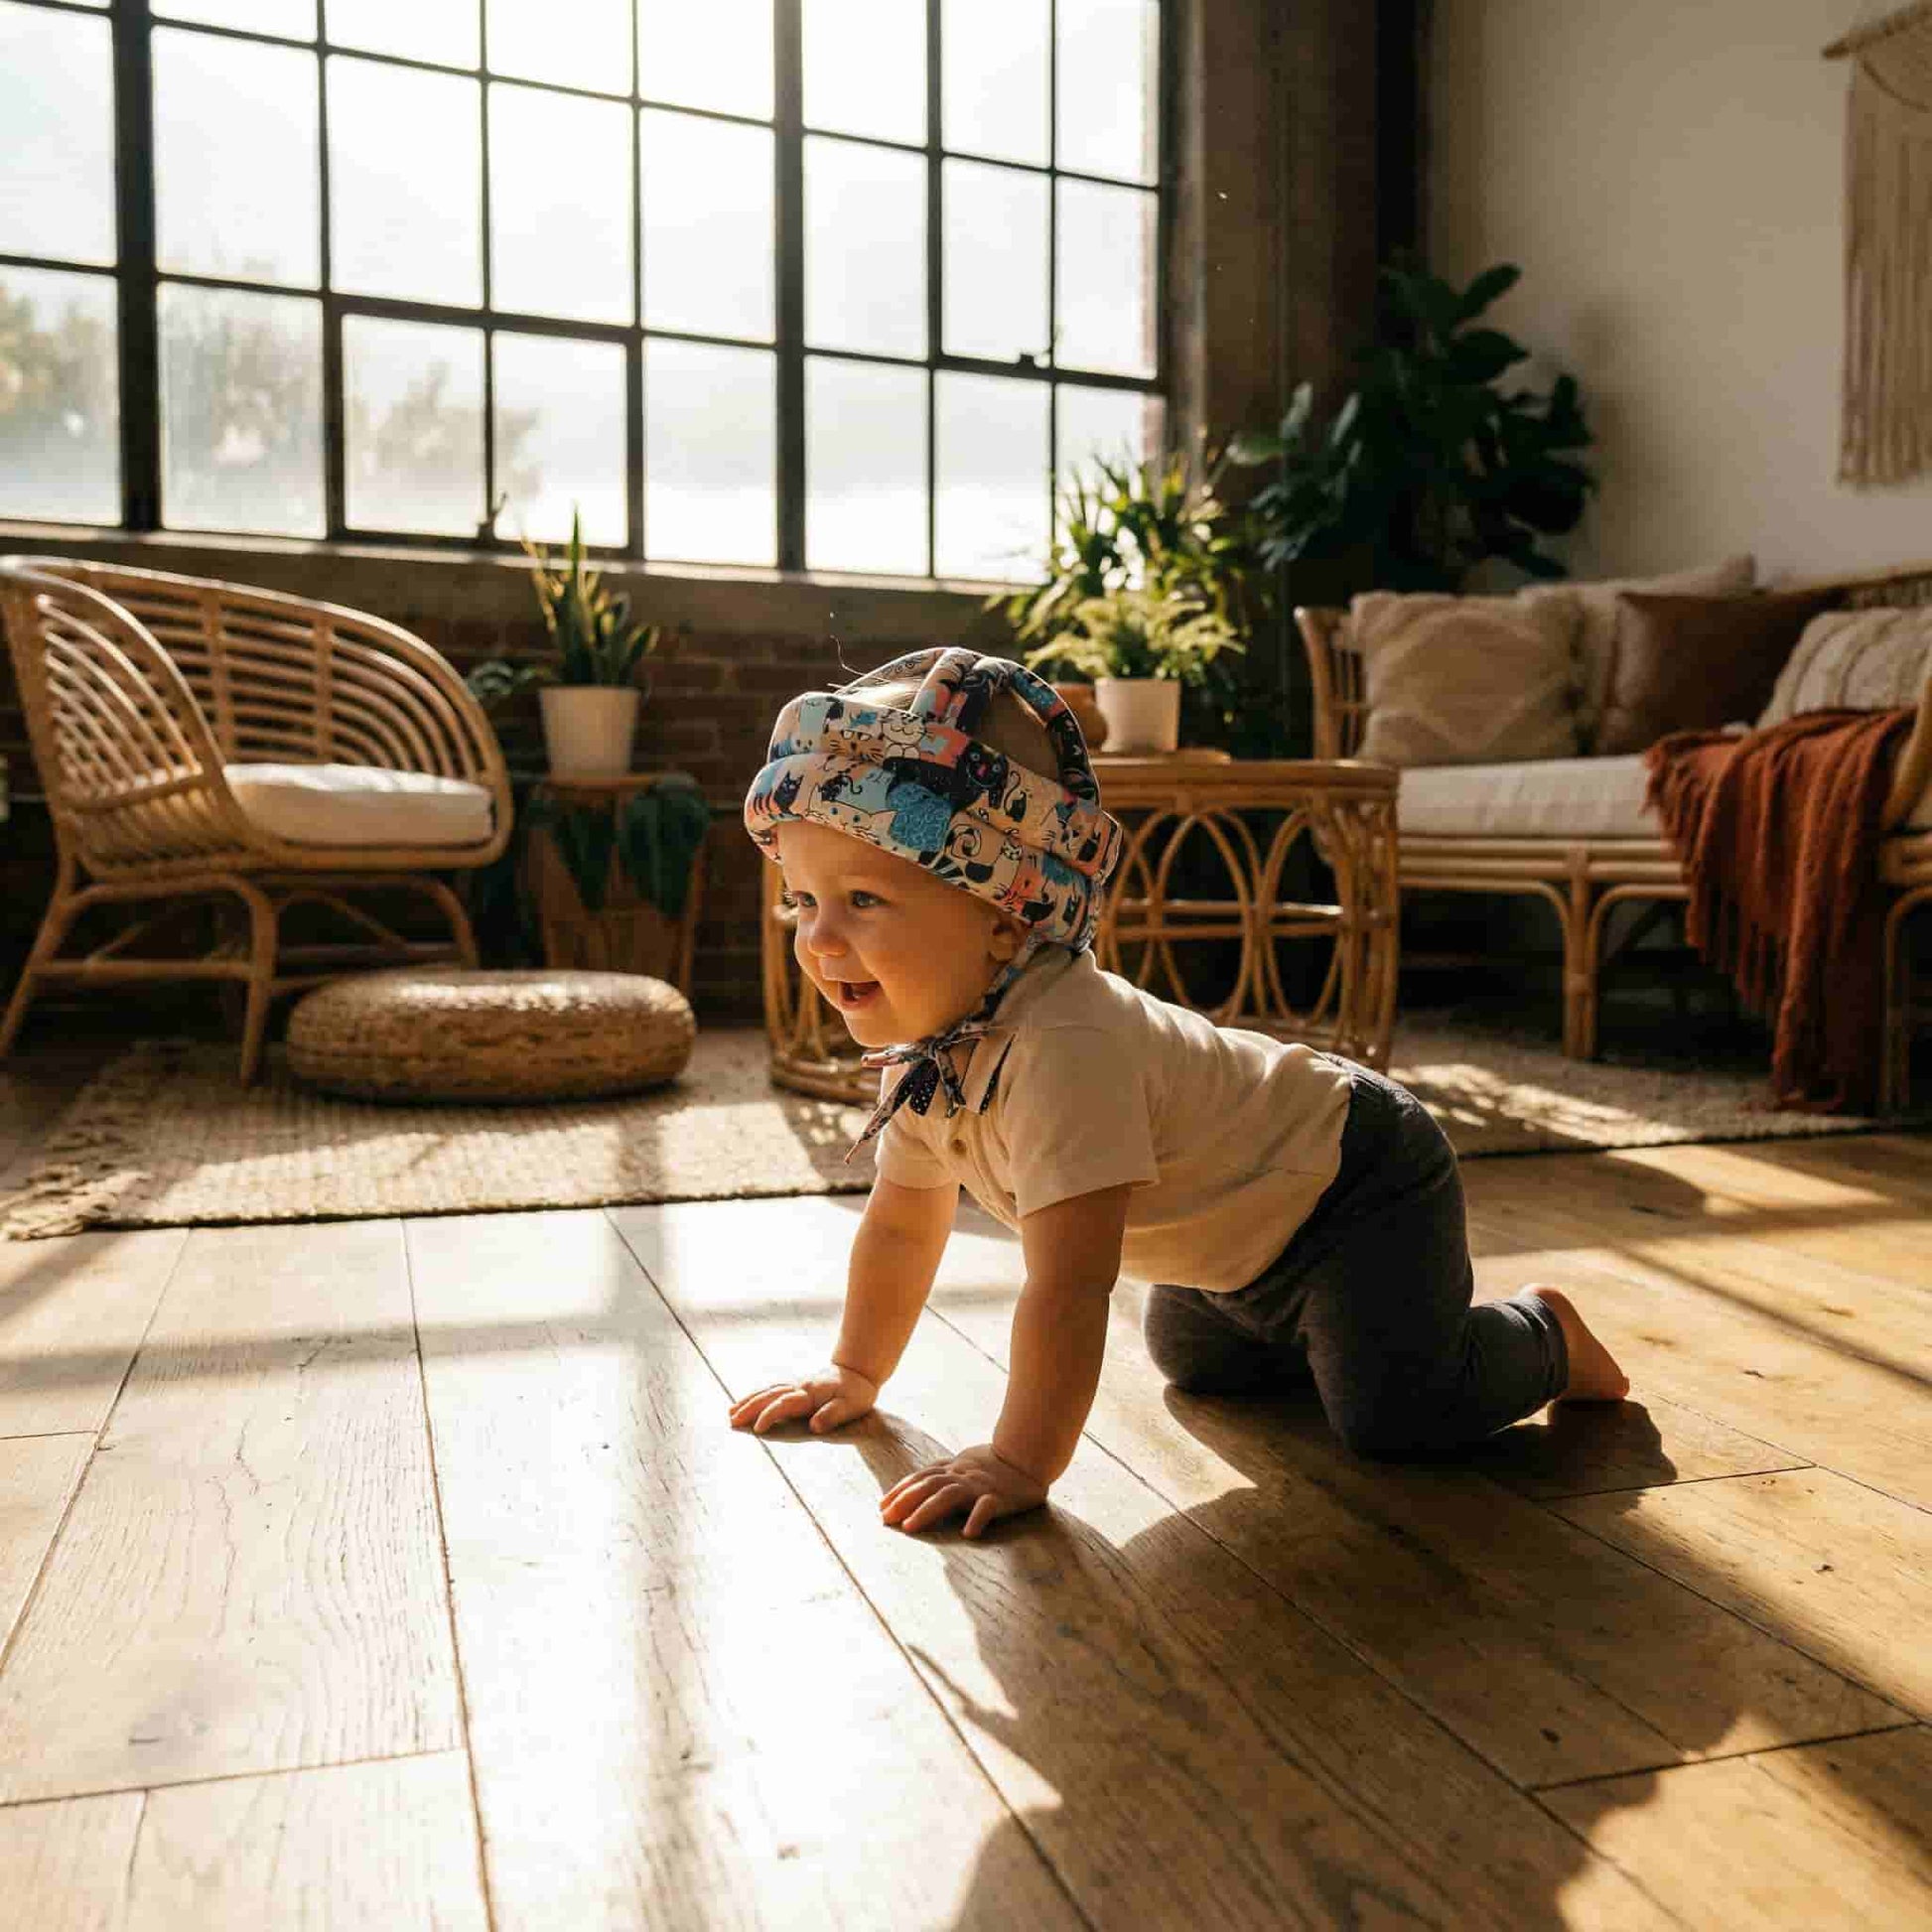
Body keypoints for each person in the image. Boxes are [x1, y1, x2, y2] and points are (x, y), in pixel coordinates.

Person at [730, 647, 1628, 1539]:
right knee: (1194, 1361)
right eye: (803, 901)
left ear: (1005, 917)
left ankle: (1544, 1333)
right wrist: (855, 1373)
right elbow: (900, 1223)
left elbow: (1069, 1289)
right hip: (1238, 1237)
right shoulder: (930, 1052)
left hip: (1357, 1183)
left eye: (863, 901)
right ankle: (1328, 1329)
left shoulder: (1064, 1048)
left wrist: (1017, 1461)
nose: (818, 939)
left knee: (1396, 1416)